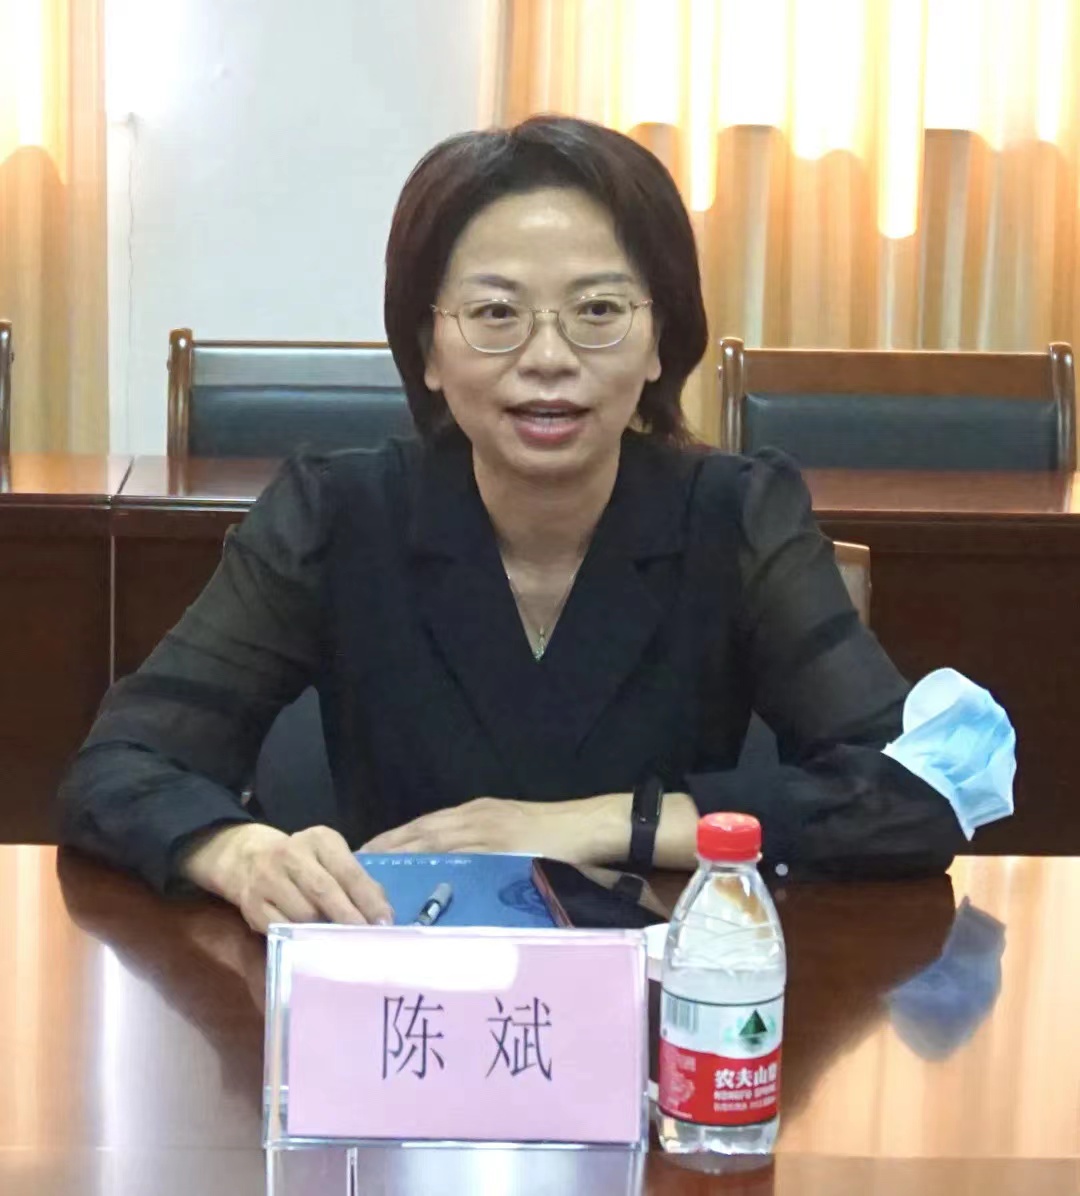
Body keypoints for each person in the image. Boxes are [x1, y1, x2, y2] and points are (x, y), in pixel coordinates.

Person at [59, 116, 964, 935]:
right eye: (496, 313)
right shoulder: (334, 514)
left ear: (660, 341)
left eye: (598, 311)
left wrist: (609, 823)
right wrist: (240, 852)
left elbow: (916, 792)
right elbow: (118, 766)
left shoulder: (737, 516)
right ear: (428, 348)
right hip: (401, 1002)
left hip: (655, 1007)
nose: (548, 358)